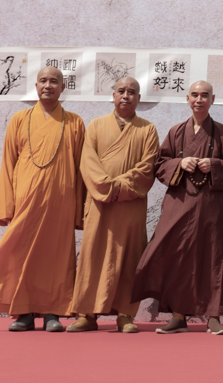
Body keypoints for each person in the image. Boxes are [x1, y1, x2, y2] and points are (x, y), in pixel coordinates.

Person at [0, 66, 87, 332]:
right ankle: (23, 312)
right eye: (43, 81)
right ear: (35, 86)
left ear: (63, 88)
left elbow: (82, 168)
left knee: (56, 257)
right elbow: (8, 164)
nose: (48, 85)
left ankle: (52, 313)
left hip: (61, 202)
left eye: (54, 81)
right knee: (19, 254)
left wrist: (80, 210)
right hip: (26, 200)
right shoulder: (19, 119)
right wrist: (6, 205)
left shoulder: (74, 122)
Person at [133, 80, 223, 335]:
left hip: (210, 206)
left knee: (212, 256)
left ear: (212, 99)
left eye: (204, 95)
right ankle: (178, 315)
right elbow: (159, 165)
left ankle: (214, 316)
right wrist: (179, 164)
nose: (199, 99)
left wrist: (214, 165)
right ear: (187, 99)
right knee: (177, 255)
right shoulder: (175, 132)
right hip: (179, 203)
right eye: (194, 95)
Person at [67, 77, 159, 333]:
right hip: (99, 203)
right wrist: (108, 188)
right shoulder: (95, 126)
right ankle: (88, 315)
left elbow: (147, 167)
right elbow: (88, 164)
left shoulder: (148, 129)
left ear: (139, 99)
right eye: (121, 91)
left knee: (128, 257)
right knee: (93, 256)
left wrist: (118, 187)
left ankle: (125, 315)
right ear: (113, 95)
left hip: (130, 207)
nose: (126, 95)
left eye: (132, 92)